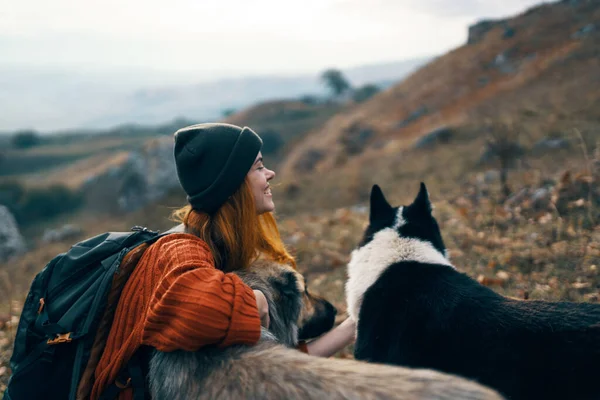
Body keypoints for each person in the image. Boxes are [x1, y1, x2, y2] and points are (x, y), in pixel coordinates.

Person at [90, 123, 356, 400]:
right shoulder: (179, 248)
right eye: (259, 167)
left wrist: (350, 329)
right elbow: (194, 307)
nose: (271, 174)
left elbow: (277, 360)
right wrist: (255, 301)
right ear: (232, 184)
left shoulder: (222, 248)